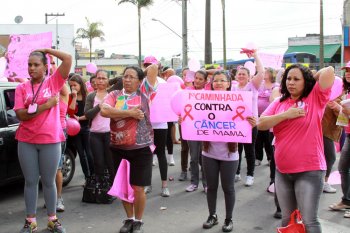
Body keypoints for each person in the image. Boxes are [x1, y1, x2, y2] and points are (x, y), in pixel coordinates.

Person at [258, 64, 335, 233]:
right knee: (288, 220)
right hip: (282, 171)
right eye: (288, 79)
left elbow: (329, 71)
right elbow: (261, 124)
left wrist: (309, 80)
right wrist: (286, 115)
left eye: (296, 79)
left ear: (305, 82)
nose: (291, 83)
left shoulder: (315, 97)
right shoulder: (280, 102)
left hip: (310, 170)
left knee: (309, 221)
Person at [14, 48, 72, 233]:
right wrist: (45, 106)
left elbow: (68, 58)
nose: (32, 68)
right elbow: (21, 115)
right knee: (30, 181)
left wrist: (47, 49)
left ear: (45, 67)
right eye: (29, 65)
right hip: (26, 140)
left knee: (48, 181)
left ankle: (52, 219)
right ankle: (30, 221)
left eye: (36, 64)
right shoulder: (21, 88)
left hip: (50, 140)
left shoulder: (53, 82)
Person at [100, 65, 156, 233]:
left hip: (141, 147)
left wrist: (140, 72)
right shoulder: (114, 94)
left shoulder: (144, 93)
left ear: (140, 81)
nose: (127, 79)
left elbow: (153, 68)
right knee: (124, 187)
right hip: (118, 147)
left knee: (138, 187)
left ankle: (138, 221)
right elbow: (104, 111)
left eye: (132, 77)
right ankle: (129, 219)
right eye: (125, 76)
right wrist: (130, 113)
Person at [201, 70, 256, 232]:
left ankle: (228, 219)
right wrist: (184, 119)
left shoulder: (239, 102)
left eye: (222, 80)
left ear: (228, 84)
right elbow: (194, 120)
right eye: (215, 81)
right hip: (208, 152)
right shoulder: (202, 102)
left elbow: (246, 122)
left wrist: (252, 122)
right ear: (211, 84)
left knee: (228, 188)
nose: (218, 83)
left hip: (230, 154)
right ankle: (212, 215)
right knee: (211, 187)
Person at [231, 50, 264, 186]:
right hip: (236, 123)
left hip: (250, 123)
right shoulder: (233, 87)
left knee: (249, 149)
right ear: (236, 76)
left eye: (244, 74)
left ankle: (250, 175)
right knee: (236, 149)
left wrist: (256, 55)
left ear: (249, 76)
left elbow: (261, 72)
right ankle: (237, 172)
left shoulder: (253, 86)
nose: (241, 76)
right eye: (239, 74)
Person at [142, 56, 170, 197]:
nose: (148, 67)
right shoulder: (141, 82)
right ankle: (148, 184)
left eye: (151, 65)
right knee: (147, 155)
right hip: (145, 125)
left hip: (160, 125)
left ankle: (164, 185)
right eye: (146, 64)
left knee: (160, 154)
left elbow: (170, 103)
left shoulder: (163, 82)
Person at [84, 69, 115, 185]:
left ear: (108, 80)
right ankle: (100, 187)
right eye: (99, 78)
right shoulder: (91, 96)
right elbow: (87, 114)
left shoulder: (113, 95)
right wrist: (99, 106)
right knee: (99, 162)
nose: (101, 80)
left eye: (104, 78)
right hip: (95, 134)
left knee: (111, 162)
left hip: (110, 134)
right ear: (95, 80)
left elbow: (121, 80)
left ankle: (114, 186)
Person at [329, 61, 350, 218]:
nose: (348, 73)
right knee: (343, 167)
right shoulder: (347, 92)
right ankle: (347, 200)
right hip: (348, 134)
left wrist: (341, 109)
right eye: (346, 71)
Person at [49, 55, 69, 212]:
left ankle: (59, 199)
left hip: (59, 132)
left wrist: (52, 63)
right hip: (43, 133)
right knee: (45, 169)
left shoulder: (63, 92)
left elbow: (60, 80)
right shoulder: (45, 91)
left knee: (57, 168)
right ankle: (51, 197)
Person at [68, 74, 94, 181]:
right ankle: (87, 176)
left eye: (75, 85)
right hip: (75, 129)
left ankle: (93, 175)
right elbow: (70, 112)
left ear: (80, 84)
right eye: (71, 86)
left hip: (86, 127)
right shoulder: (70, 96)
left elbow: (90, 113)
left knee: (89, 153)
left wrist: (80, 118)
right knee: (81, 154)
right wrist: (73, 97)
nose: (73, 88)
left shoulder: (87, 96)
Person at [185, 70, 208, 192]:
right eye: (196, 78)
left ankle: (206, 184)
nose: (198, 81)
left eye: (201, 79)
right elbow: (181, 107)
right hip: (191, 128)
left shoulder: (209, 93)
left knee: (204, 157)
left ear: (205, 81)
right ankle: (194, 182)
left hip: (205, 128)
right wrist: (180, 117)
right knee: (193, 157)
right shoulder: (187, 91)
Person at [255, 67, 279, 166]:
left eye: (266, 72)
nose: (264, 74)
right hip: (257, 115)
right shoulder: (260, 85)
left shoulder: (276, 86)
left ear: (271, 74)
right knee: (258, 138)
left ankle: (270, 158)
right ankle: (258, 157)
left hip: (269, 116)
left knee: (268, 139)